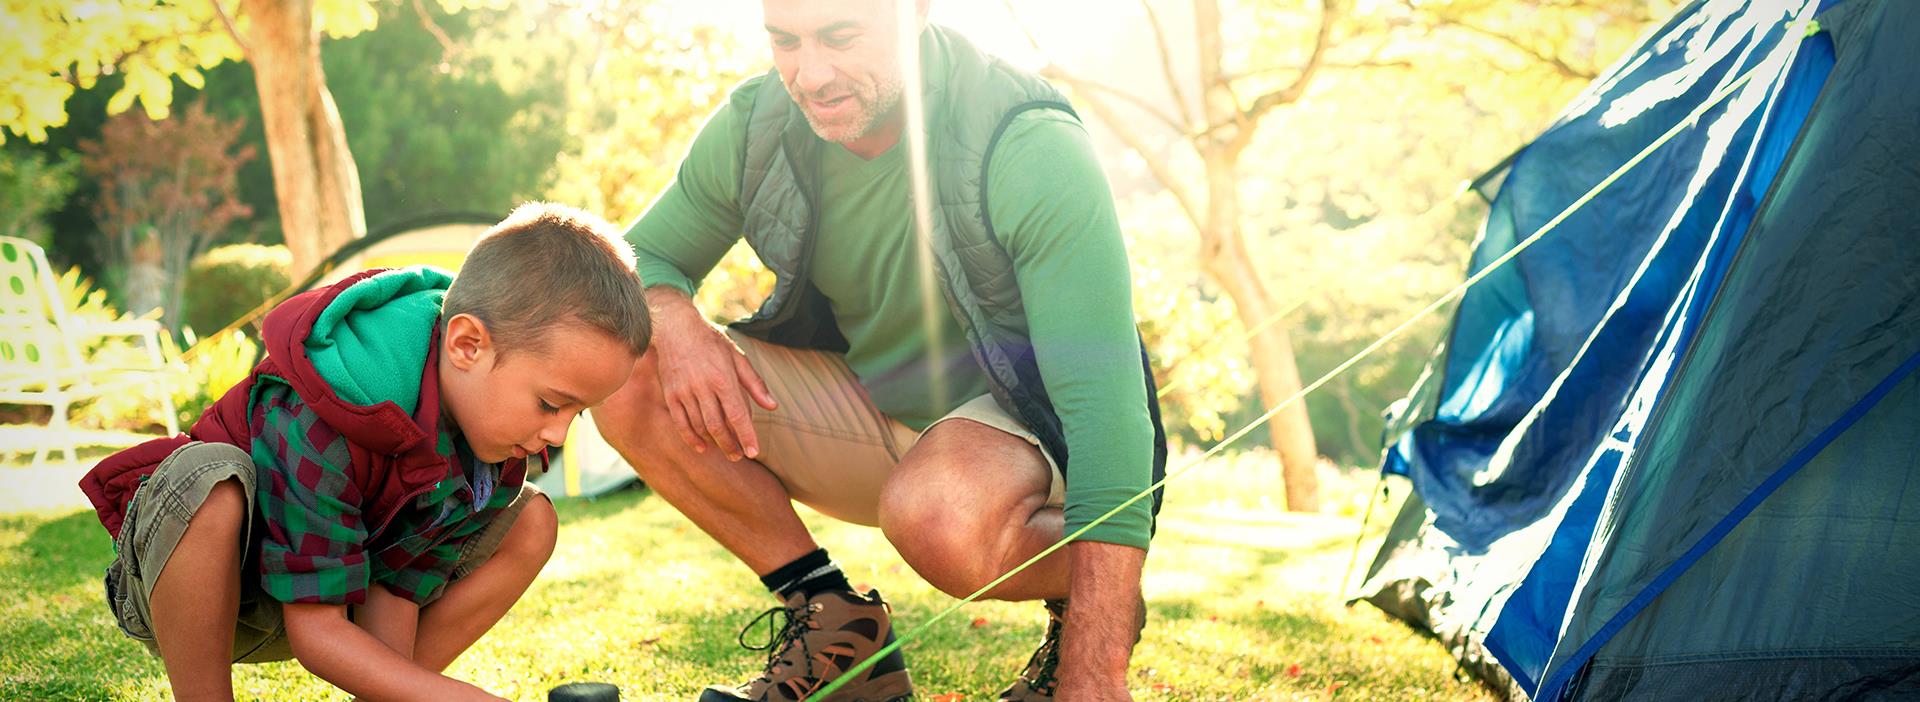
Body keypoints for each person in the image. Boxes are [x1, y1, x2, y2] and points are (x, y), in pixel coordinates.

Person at [593, 1, 1168, 699]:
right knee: (625, 364)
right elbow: (638, 255)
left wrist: (1095, 669)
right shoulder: (758, 122)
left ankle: (1095, 601)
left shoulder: (1026, 142)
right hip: (871, 412)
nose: (811, 75)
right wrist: (675, 320)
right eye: (786, 42)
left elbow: (1106, 407)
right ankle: (834, 628)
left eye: (840, 38)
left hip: (1022, 428)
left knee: (937, 515)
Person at [78, 203, 651, 701]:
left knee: (533, 520)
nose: (558, 435)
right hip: (199, 593)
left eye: (577, 414)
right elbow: (316, 634)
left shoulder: (490, 453)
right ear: (467, 345)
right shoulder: (334, 408)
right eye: (552, 403)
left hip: (334, 586)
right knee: (210, 478)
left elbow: (397, 590)